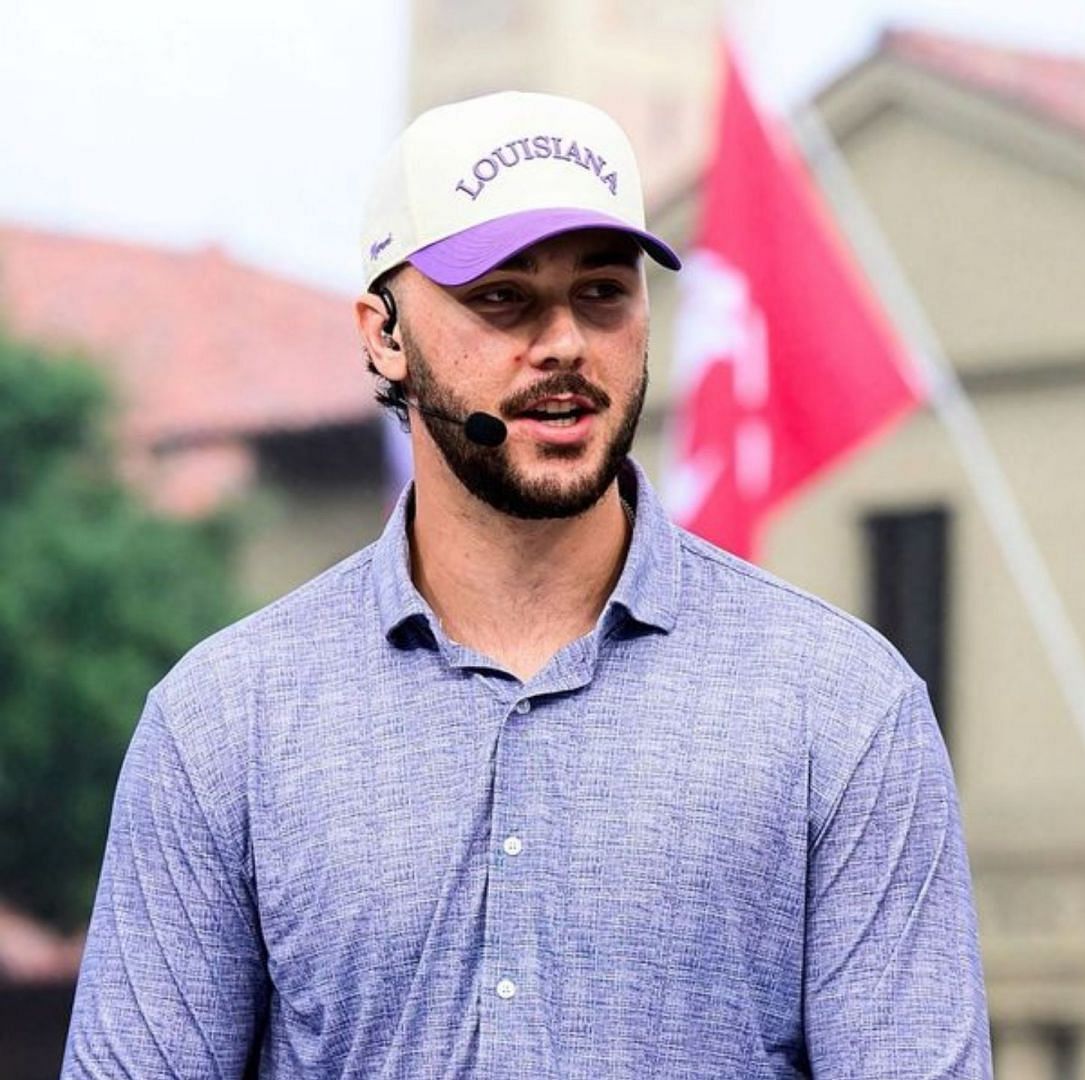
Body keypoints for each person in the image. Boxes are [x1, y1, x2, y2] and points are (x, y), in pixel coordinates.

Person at [61, 91, 989, 1078]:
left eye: (602, 293)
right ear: (383, 335)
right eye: (502, 298)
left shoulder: (842, 710)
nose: (563, 344)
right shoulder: (224, 726)